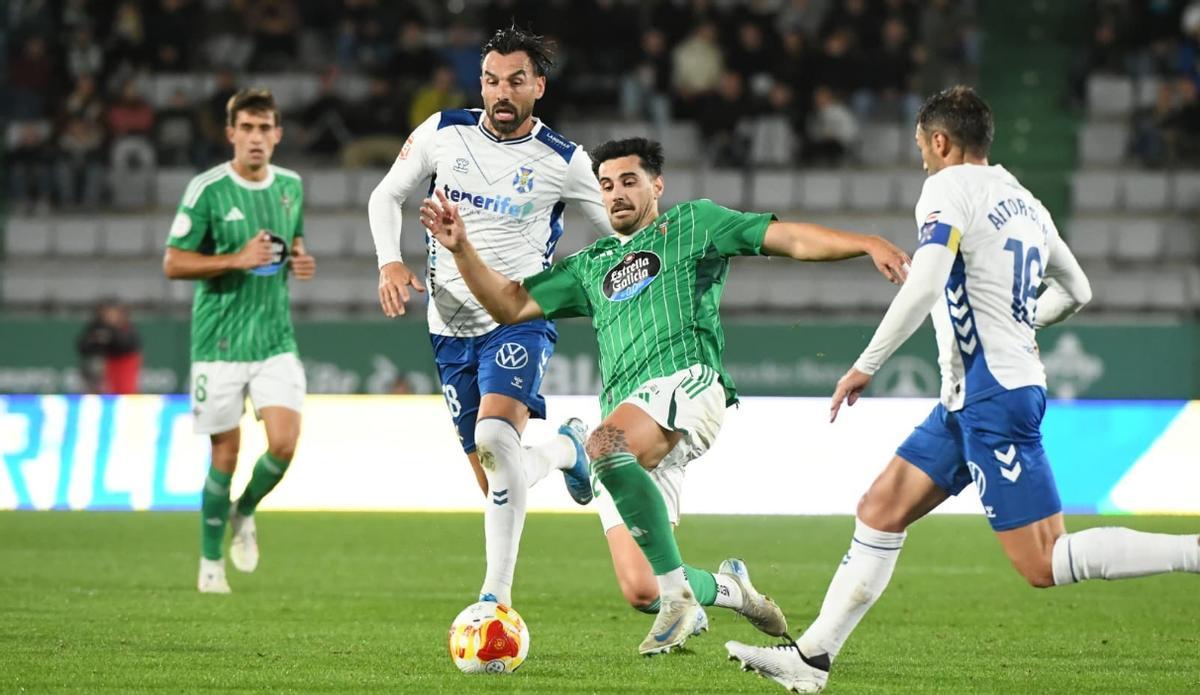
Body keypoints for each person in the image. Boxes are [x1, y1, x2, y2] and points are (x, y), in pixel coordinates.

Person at [725, 86, 1200, 693]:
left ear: (941, 141)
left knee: (1044, 562)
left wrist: (866, 363)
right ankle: (812, 658)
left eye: (923, 145)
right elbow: (1077, 289)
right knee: (880, 508)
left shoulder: (947, 189)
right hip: (971, 396)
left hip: (990, 396)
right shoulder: (1025, 201)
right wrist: (1021, 319)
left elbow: (924, 284)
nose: (922, 156)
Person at [417, 136, 911, 655]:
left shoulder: (694, 223)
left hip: (687, 385)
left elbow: (786, 239)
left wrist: (865, 242)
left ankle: (668, 579)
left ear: (657, 184)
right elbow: (510, 305)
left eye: (629, 181)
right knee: (640, 589)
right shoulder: (592, 264)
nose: (616, 195)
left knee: (604, 445)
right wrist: (461, 249)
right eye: (606, 185)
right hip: (629, 423)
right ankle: (730, 590)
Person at [367, 26, 610, 610]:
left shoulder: (566, 161)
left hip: (519, 316)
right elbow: (385, 195)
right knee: (495, 476)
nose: (502, 92)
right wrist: (390, 263)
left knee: (495, 438)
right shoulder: (442, 133)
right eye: (492, 80)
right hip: (449, 327)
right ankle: (568, 451)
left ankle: (494, 601)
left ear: (539, 87)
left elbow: (619, 233)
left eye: (516, 82)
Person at [163, 88, 316, 594]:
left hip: (274, 337)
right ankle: (210, 566)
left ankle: (244, 510)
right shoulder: (207, 190)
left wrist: (300, 258)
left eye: (264, 128)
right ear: (231, 133)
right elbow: (174, 262)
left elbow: (292, 242)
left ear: (277, 134)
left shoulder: (292, 186)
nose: (256, 137)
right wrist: (235, 259)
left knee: (285, 443)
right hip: (220, 343)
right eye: (246, 128)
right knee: (225, 455)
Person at [76, 300, 142, 394]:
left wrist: (110, 337)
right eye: (108, 313)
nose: (110, 316)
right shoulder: (97, 327)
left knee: (124, 392)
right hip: (104, 365)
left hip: (123, 365)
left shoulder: (127, 327)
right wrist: (96, 340)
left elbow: (128, 345)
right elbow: (83, 346)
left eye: (113, 313)